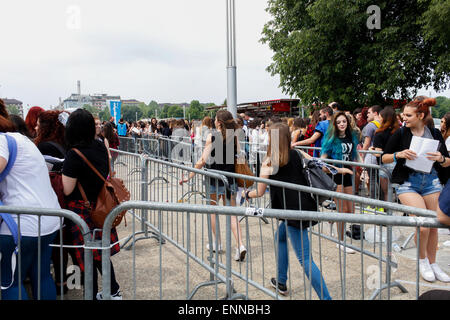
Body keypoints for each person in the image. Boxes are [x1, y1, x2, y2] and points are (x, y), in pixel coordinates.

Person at [242, 122, 333, 299]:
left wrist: (247, 194)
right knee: (280, 237)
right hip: (303, 205)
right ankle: (281, 281)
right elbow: (316, 163)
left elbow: (260, 191)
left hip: (292, 212)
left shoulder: (270, 160)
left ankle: (326, 298)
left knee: (305, 259)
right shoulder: (297, 154)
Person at [382, 98, 450, 283]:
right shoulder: (401, 133)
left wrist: (441, 158)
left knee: (435, 225)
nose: (404, 118)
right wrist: (399, 154)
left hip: (431, 181)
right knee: (423, 223)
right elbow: (384, 157)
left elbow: (448, 160)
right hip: (407, 183)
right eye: (403, 114)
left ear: (421, 115)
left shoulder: (435, 134)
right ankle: (423, 261)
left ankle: (434, 263)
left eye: (408, 115)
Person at [0, 100, 61, 300]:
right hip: (47, 219)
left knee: (10, 283)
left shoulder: (2, 141)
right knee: (42, 277)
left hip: (21, 225)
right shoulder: (22, 139)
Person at [61, 109, 122, 299]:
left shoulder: (74, 154)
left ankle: (93, 293)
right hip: (102, 207)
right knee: (100, 255)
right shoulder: (100, 146)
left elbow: (67, 189)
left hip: (82, 210)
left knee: (87, 257)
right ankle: (113, 290)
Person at [180, 110, 247, 261]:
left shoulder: (212, 137)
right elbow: (240, 157)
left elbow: (203, 160)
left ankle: (217, 243)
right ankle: (240, 245)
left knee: (213, 211)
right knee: (232, 214)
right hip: (230, 179)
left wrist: (189, 175)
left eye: (216, 119)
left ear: (219, 122)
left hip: (214, 179)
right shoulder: (234, 137)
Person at [321, 111, 361, 253]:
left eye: (344, 121)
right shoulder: (331, 138)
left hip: (348, 175)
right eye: (338, 122)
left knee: (350, 210)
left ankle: (331, 221)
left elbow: (355, 154)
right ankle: (340, 241)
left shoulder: (351, 137)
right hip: (336, 176)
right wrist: (336, 169)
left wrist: (365, 169)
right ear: (335, 125)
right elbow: (323, 160)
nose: (342, 124)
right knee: (342, 210)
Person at [372, 107, 400, 201]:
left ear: (384, 118)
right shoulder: (399, 132)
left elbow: (378, 153)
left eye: (379, 117)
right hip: (398, 164)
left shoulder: (379, 133)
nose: (378, 119)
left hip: (385, 165)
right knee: (401, 193)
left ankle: (388, 214)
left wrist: (371, 150)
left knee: (387, 193)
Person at [361, 105, 383, 199]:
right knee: (380, 180)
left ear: (375, 113)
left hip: (371, 155)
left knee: (372, 179)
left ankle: (374, 203)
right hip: (381, 155)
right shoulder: (384, 124)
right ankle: (381, 202)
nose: (367, 115)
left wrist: (362, 156)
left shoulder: (370, 125)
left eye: (369, 112)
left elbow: (366, 144)